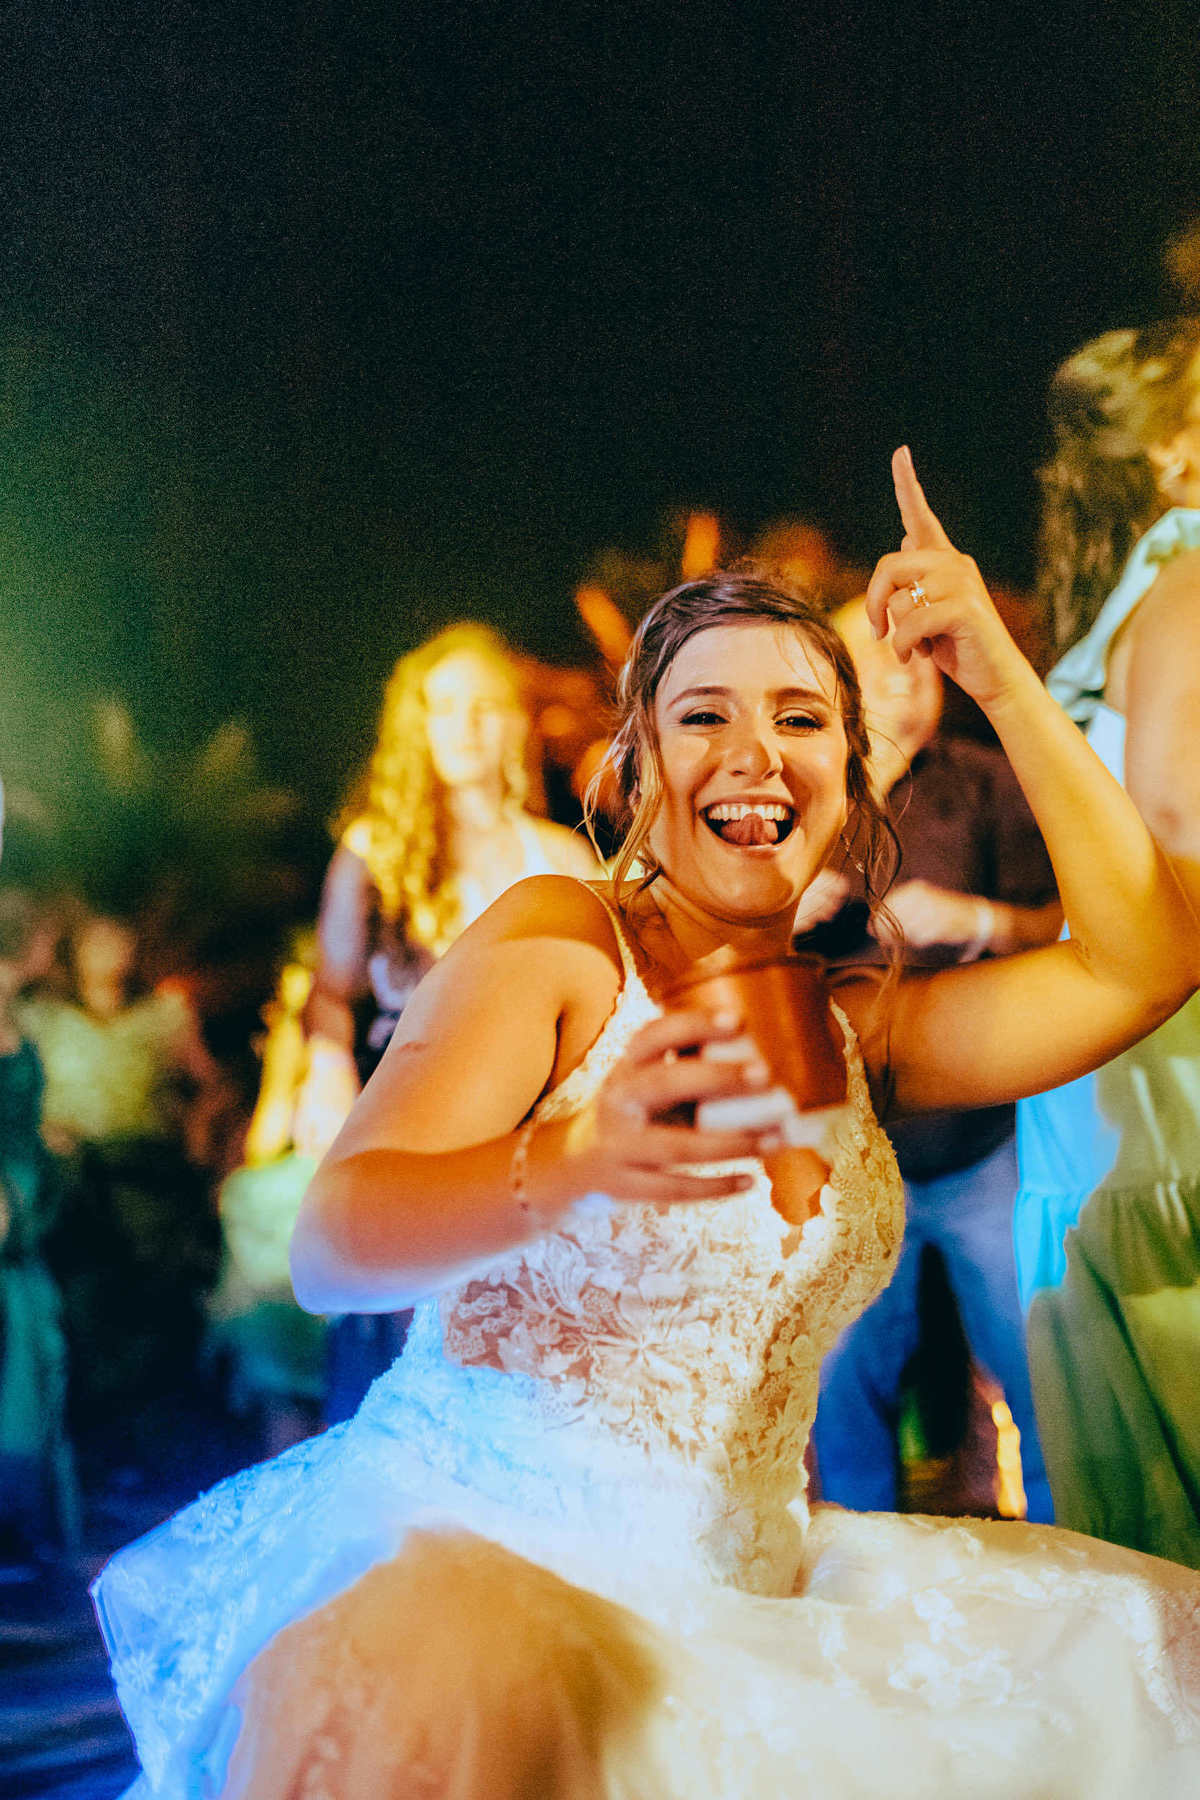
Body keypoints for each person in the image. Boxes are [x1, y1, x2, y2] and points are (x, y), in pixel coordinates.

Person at [93, 452, 1200, 1798]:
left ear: (851, 775)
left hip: (754, 1601)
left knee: (1138, 1660)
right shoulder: (564, 941)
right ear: (633, 768)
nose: (756, 753)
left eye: (802, 719)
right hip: (493, 1583)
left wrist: (1000, 678)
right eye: (703, 716)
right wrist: (576, 1157)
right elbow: (332, 1252)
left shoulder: (852, 1029)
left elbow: (1140, 966)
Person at [294, 623, 600, 1417]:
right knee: (407, 1371)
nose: (465, 725)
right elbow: (330, 991)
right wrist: (326, 1071)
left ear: (516, 723)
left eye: (484, 705)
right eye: (444, 708)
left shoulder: (562, 858)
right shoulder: (375, 853)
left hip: (530, 1133)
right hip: (410, 1125)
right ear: (419, 728)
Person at [806, 596, 1061, 1521]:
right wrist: (790, 904)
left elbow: (1063, 931)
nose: (901, 677)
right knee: (841, 1391)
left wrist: (977, 919)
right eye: (875, 660)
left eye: (918, 659)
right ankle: (863, 1572)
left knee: (1042, 1372)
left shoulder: (988, 782)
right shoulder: (795, 797)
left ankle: (1069, 1555)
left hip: (980, 1144)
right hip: (843, 1151)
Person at [1015, 317, 1200, 1566]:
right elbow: (1182, 815)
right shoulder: (1191, 578)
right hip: (1174, 1095)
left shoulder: (1133, 594)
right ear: (1178, 456)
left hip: (1116, 1088)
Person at [0, 888, 81, 1551]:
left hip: (25, 1200)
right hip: (6, 1203)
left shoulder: (18, 1015)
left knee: (34, 1359)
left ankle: (29, 1531)